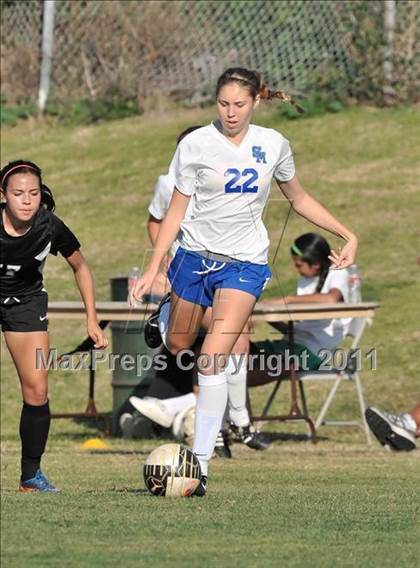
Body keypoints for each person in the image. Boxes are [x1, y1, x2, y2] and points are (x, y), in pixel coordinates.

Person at [131, 67, 358, 496]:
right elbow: (175, 211)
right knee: (180, 344)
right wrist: (153, 267)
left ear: (255, 102)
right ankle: (165, 314)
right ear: (215, 102)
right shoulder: (195, 143)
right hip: (193, 257)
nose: (231, 112)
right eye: (223, 104)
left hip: (245, 263)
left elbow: (300, 197)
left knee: (212, 358)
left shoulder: (272, 144)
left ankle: (199, 466)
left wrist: (348, 233)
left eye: (239, 104)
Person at [130, 125, 269, 457]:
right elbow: (156, 221)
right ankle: (220, 421)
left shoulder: (224, 179)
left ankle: (229, 422)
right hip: (190, 276)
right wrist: (164, 261)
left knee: (232, 340)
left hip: (227, 273)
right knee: (204, 347)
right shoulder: (169, 183)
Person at [0, 160, 108, 492]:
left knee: (38, 390)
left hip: (25, 303)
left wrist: (92, 318)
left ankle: (31, 477)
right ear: (3, 195)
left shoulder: (48, 226)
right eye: (18, 193)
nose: (27, 200)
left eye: (33, 193)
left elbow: (81, 267)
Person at [250, 232, 355, 380]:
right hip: (292, 343)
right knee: (240, 355)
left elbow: (332, 299)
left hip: (313, 351)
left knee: (246, 371)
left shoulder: (337, 272)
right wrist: (269, 316)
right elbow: (302, 326)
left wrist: (288, 300)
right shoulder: (307, 279)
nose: (296, 269)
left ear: (316, 264)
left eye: (299, 265)